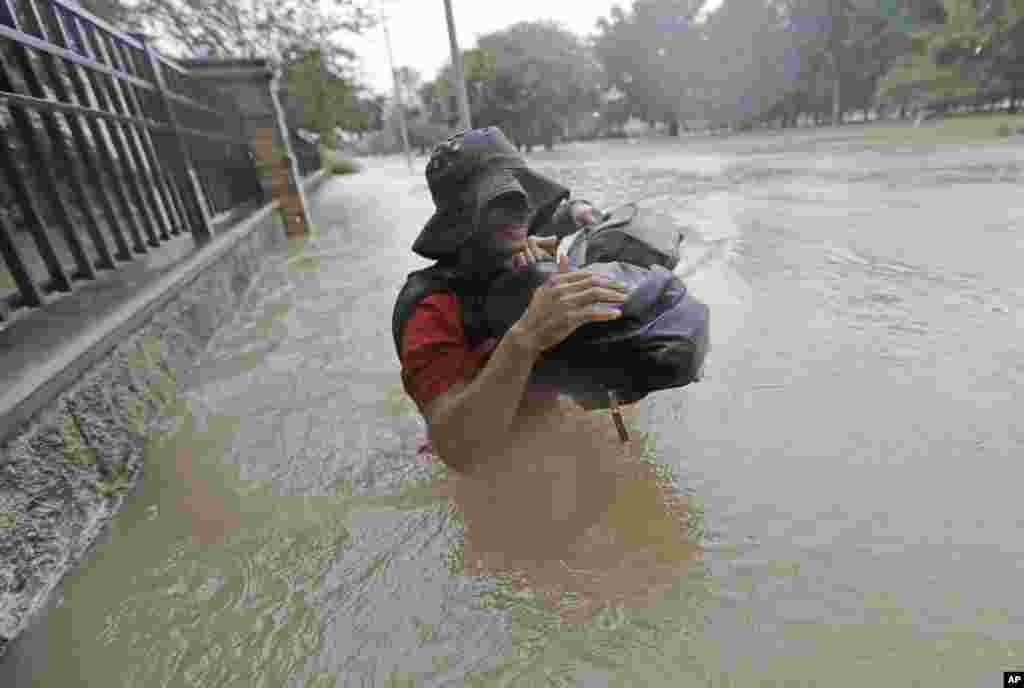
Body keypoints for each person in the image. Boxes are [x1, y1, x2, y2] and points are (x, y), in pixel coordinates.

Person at [394, 127, 633, 473]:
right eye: (499, 200)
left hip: (559, 441)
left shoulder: (543, 265)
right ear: (460, 218)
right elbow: (459, 452)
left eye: (521, 196)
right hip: (491, 464)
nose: (519, 210)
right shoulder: (430, 310)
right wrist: (525, 338)